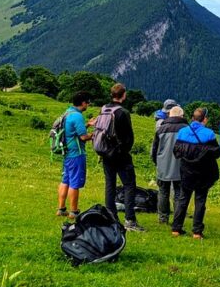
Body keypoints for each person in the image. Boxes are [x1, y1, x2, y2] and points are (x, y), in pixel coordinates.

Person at [97, 82, 145, 233]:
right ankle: (130, 220)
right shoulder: (122, 112)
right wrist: (124, 151)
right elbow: (129, 138)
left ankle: (111, 217)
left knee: (110, 185)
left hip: (105, 154)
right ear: (123, 95)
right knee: (129, 185)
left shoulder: (104, 109)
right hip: (120, 155)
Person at [171, 107, 220, 239]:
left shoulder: (182, 132)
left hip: (186, 172)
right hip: (202, 173)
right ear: (205, 119)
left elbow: (176, 152)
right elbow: (216, 153)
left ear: (193, 118)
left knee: (183, 199)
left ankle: (176, 228)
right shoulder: (209, 134)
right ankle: (197, 232)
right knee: (200, 201)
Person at [56, 91, 93, 218]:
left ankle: (61, 209)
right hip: (76, 154)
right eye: (88, 102)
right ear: (83, 103)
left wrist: (87, 124)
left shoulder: (67, 113)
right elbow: (83, 137)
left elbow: (72, 132)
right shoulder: (77, 116)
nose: (88, 105)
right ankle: (74, 211)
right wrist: (95, 135)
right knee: (75, 183)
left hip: (67, 153)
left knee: (65, 180)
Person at [151, 104, 185, 222]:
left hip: (163, 164)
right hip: (180, 166)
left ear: (170, 115)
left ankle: (163, 218)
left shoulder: (161, 129)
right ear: (181, 115)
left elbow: (154, 149)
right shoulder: (186, 129)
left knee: (163, 192)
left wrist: (156, 162)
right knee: (179, 193)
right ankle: (178, 218)